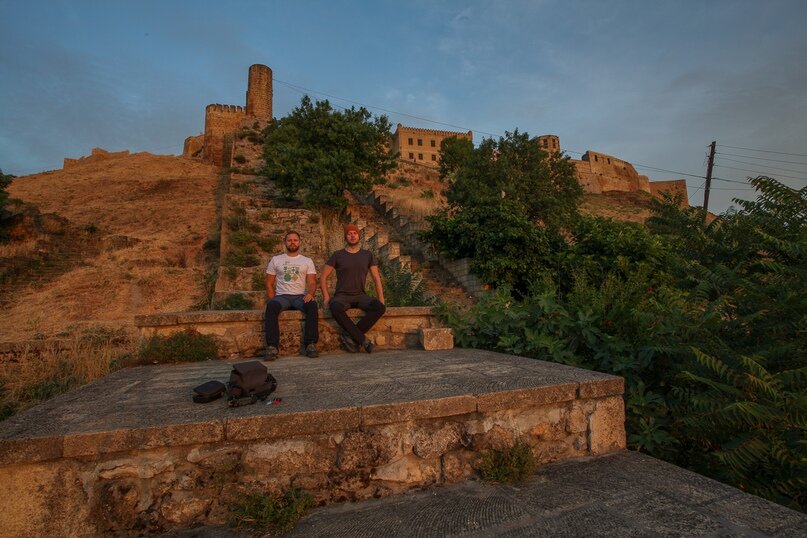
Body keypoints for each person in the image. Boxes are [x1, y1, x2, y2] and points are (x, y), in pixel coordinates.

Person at [320, 224, 385, 353]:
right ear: (345, 237)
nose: (352, 235)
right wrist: (327, 298)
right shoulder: (338, 255)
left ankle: (349, 335)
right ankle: (363, 340)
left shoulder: (367, 255)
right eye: (349, 234)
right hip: (342, 296)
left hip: (361, 295)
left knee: (379, 307)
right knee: (335, 307)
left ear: (358, 236)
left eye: (354, 233)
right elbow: (323, 277)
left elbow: (376, 278)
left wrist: (381, 298)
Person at [264, 230, 319, 360]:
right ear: (285, 242)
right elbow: (269, 283)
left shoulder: (307, 261)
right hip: (282, 297)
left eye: (295, 240)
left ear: (299, 242)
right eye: (289, 240)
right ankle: (272, 347)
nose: (292, 242)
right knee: (271, 306)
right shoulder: (276, 260)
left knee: (312, 305)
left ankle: (310, 344)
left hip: (300, 297)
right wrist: (273, 299)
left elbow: (312, 282)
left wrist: (310, 294)